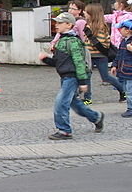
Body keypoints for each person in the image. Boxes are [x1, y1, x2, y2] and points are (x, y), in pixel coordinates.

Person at [39, 11, 103, 140]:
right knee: (76, 104)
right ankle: (96, 117)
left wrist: (83, 81)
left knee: (61, 103)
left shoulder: (73, 41)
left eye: (59, 23)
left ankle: (64, 131)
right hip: (65, 77)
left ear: (69, 25)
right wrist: (46, 59)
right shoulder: (62, 40)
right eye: (56, 22)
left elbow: (79, 62)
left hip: (72, 78)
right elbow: (58, 63)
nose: (56, 25)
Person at [82, 2, 124, 103]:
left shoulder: (101, 27)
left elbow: (103, 44)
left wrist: (90, 38)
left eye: (86, 12)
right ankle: (87, 98)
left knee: (105, 77)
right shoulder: (87, 25)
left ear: (92, 14)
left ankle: (123, 90)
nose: (84, 13)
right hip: (89, 56)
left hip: (100, 56)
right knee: (86, 76)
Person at [109, 19, 132, 117]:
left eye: (121, 28)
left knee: (130, 91)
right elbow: (118, 55)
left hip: (130, 71)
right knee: (126, 90)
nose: (119, 30)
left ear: (128, 30)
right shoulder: (123, 41)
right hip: (123, 70)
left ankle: (131, 108)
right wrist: (115, 65)